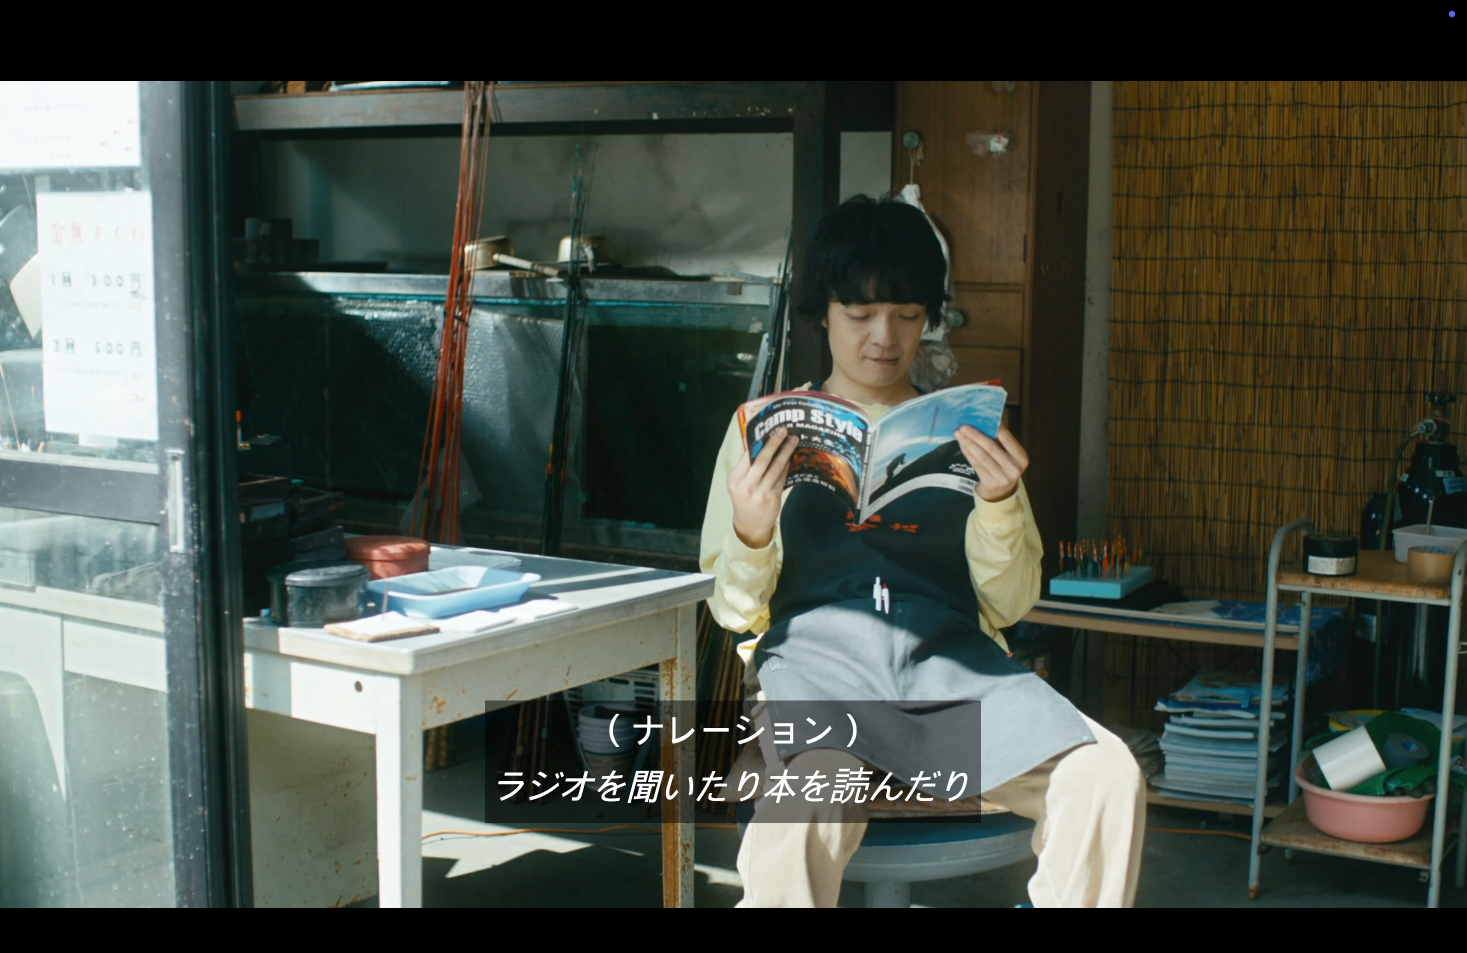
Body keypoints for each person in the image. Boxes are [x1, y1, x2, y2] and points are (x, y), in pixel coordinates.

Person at [699, 195, 1146, 908]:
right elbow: (734, 611)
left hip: (953, 677)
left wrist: (998, 502)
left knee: (1106, 775)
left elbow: (1010, 603)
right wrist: (752, 532)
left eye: (907, 315)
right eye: (860, 314)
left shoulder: (969, 433)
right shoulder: (765, 431)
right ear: (823, 312)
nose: (884, 337)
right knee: (803, 798)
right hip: (819, 676)